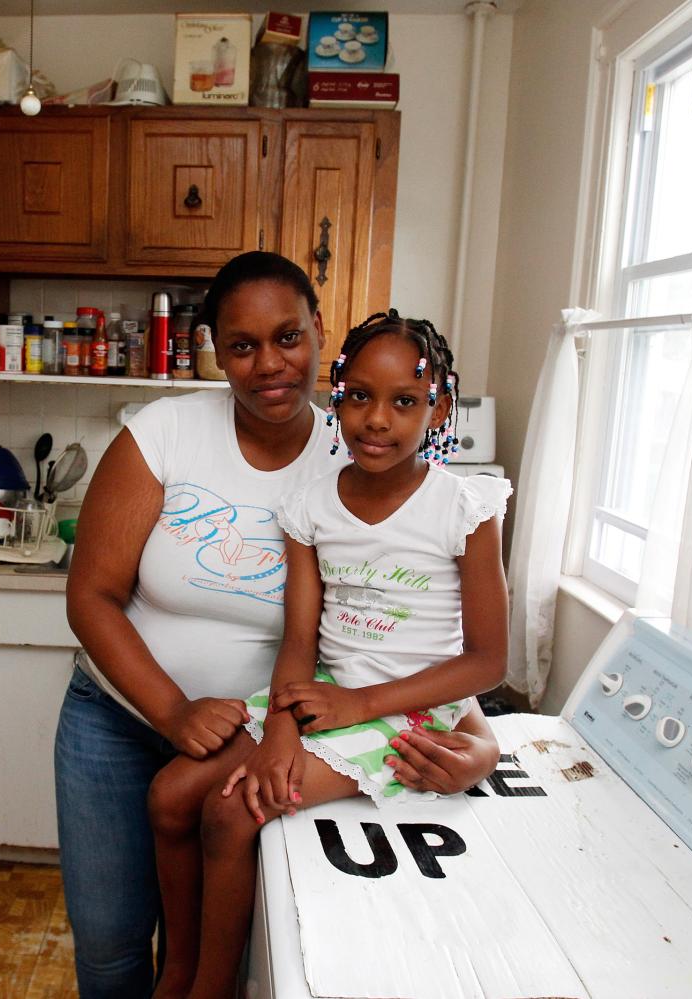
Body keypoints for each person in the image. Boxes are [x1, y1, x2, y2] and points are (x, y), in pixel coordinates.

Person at [57, 252, 504, 998]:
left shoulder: (362, 449)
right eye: (242, 344)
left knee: (218, 921)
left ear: (320, 335)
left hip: (265, 724)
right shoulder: (163, 431)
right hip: (118, 720)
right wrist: (172, 710)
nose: (269, 363)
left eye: (289, 337)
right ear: (216, 352)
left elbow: (399, 631)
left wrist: (480, 740)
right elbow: (90, 595)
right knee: (109, 946)